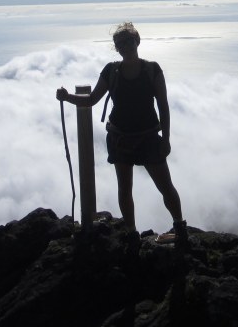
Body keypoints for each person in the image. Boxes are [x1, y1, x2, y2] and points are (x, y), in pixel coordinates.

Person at [56, 22, 186, 244]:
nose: (125, 46)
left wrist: (166, 139)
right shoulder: (111, 71)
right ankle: (132, 233)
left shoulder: (152, 69)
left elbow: (164, 106)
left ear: (137, 41)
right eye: (120, 43)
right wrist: (67, 97)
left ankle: (180, 229)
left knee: (164, 186)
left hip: (144, 138)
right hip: (121, 138)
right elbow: (92, 99)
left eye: (128, 41)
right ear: (116, 48)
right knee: (125, 189)